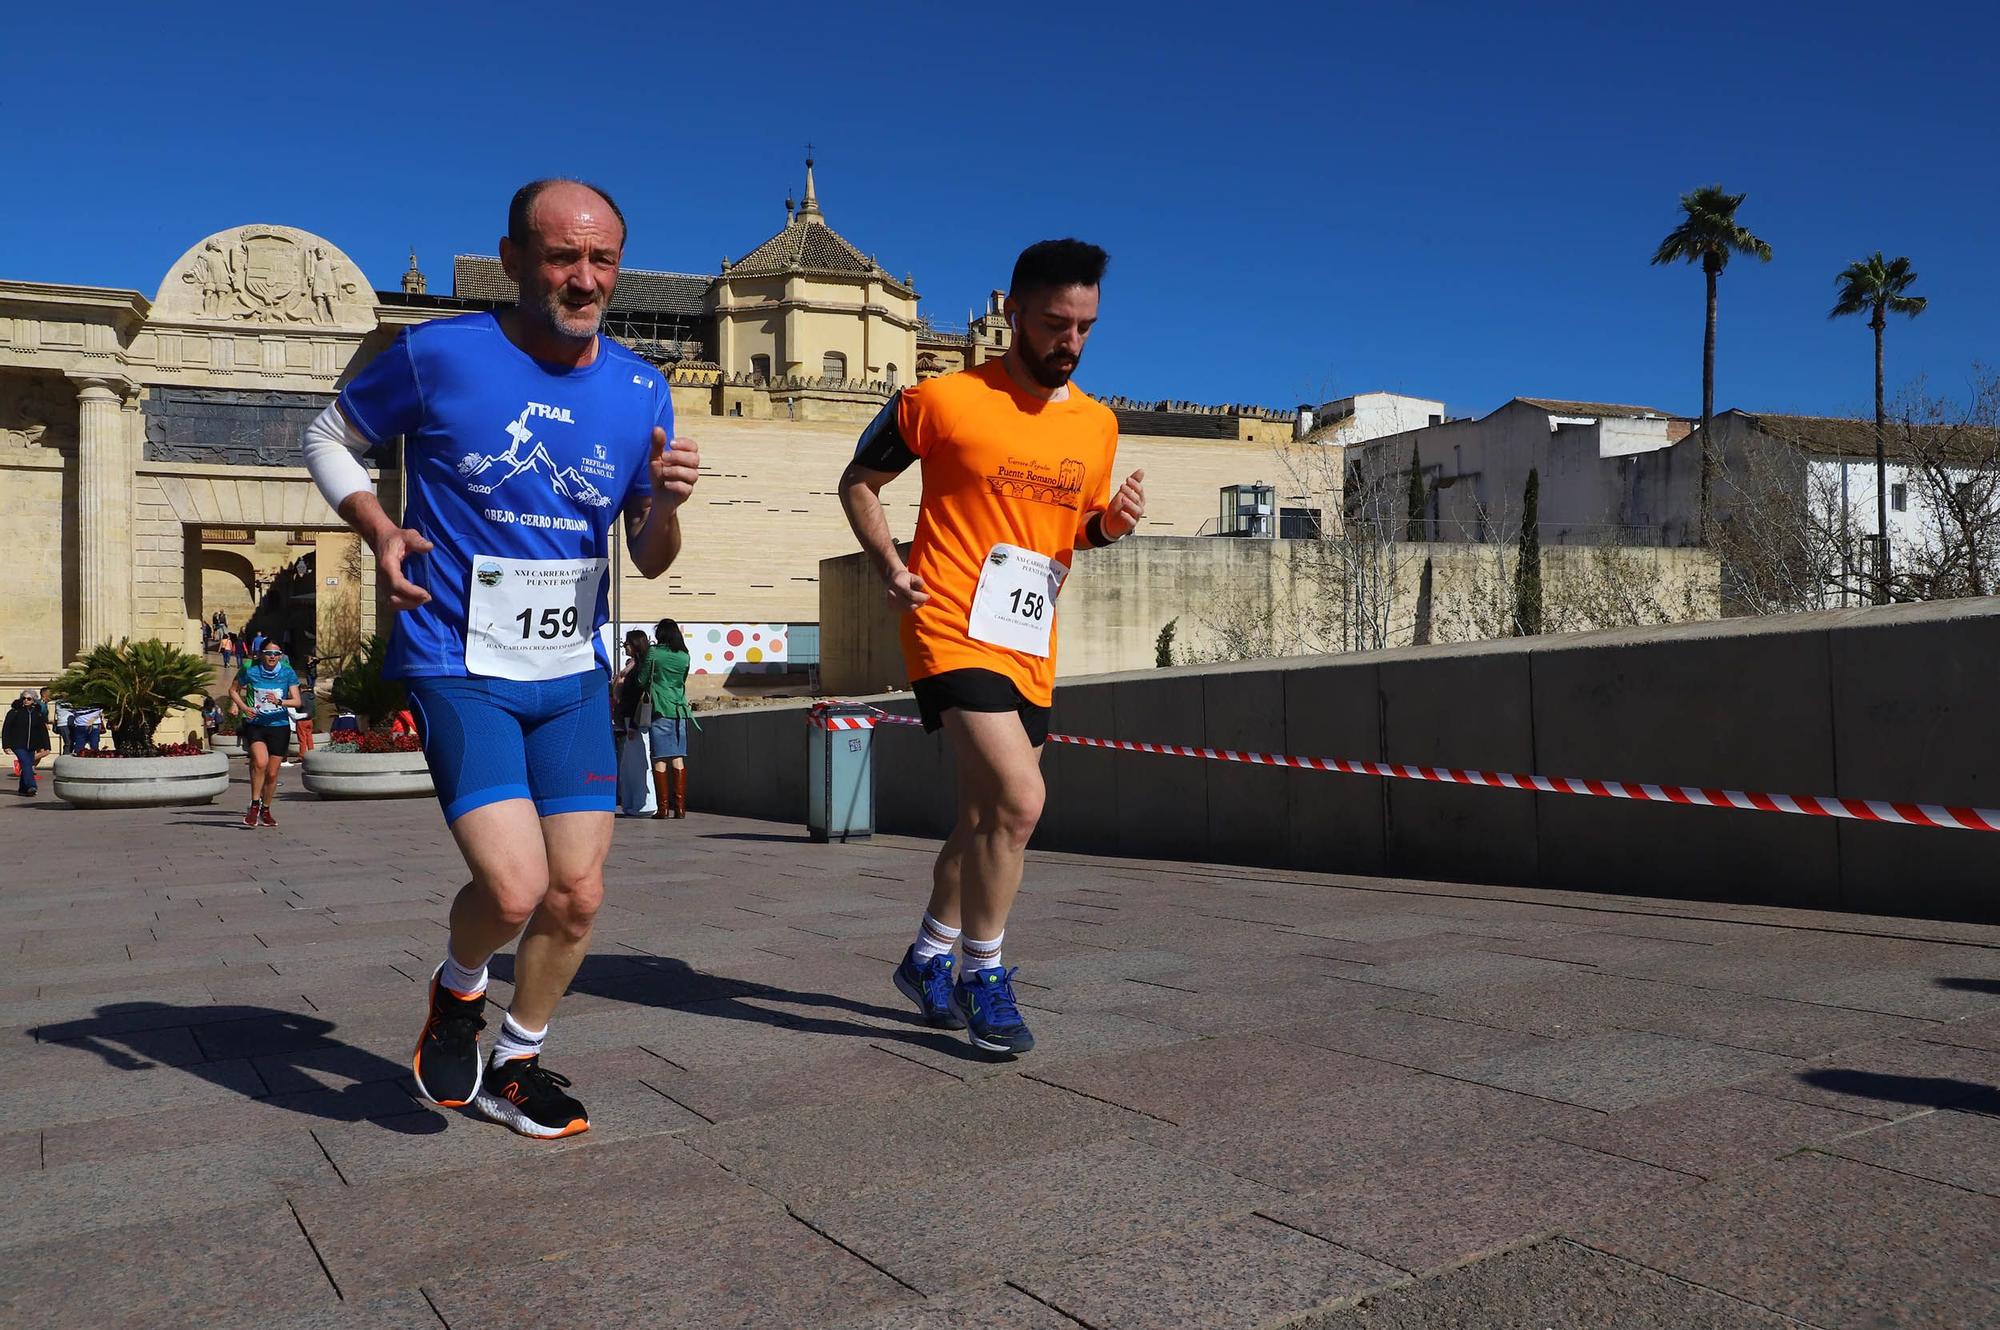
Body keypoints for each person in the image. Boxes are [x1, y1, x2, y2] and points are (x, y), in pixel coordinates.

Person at [301, 177, 698, 1139]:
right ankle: (458, 987)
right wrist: (379, 527)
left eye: (602, 259)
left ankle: (518, 1061)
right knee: (515, 888)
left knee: (579, 892)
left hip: (568, 669)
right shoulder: (440, 354)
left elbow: (645, 552)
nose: (584, 277)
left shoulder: (644, 388)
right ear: (514, 260)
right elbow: (329, 435)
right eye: (562, 256)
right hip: (456, 654)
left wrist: (670, 505)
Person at [837, 238, 1145, 1056]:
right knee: (1021, 803)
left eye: (1084, 328)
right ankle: (984, 973)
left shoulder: (1097, 423)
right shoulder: (939, 400)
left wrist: (1107, 526)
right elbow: (858, 483)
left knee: (981, 818)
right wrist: (889, 565)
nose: (1069, 343)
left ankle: (926, 956)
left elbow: (1071, 529)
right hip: (947, 625)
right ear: (1012, 313)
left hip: (1028, 640)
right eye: (1054, 324)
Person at [229, 643, 301, 826]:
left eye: (276, 653)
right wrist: (244, 708)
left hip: (279, 726)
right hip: (256, 724)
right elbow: (233, 689)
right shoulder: (250, 670)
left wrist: (279, 701)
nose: (272, 656)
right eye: (268, 653)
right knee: (260, 762)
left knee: (272, 773)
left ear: (280, 655)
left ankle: (266, 809)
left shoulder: (287, 672)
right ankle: (254, 805)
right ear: (261, 654)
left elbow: (297, 701)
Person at [633, 618, 692, 818]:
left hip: (659, 707)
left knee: (659, 757)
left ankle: (664, 808)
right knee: (678, 757)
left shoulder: (654, 652)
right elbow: (682, 680)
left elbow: (641, 679)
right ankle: (681, 808)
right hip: (680, 709)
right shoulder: (684, 655)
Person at [613, 629, 652, 816]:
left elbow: (639, 696)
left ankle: (644, 804)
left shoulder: (640, 668)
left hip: (635, 719)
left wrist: (635, 724)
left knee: (638, 764)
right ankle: (633, 804)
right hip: (629, 718)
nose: (624, 647)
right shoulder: (632, 666)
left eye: (626, 644)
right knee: (629, 765)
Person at [4, 691, 51, 797]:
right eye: (24, 698)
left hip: (32, 745)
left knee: (27, 765)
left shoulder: (37, 713)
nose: (26, 700)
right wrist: (6, 745)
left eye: (29, 699)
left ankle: (23, 788)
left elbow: (42, 730)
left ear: (33, 700)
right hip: (17, 744)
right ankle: (31, 786)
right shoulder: (14, 712)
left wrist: (47, 746)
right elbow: (6, 728)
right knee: (26, 763)